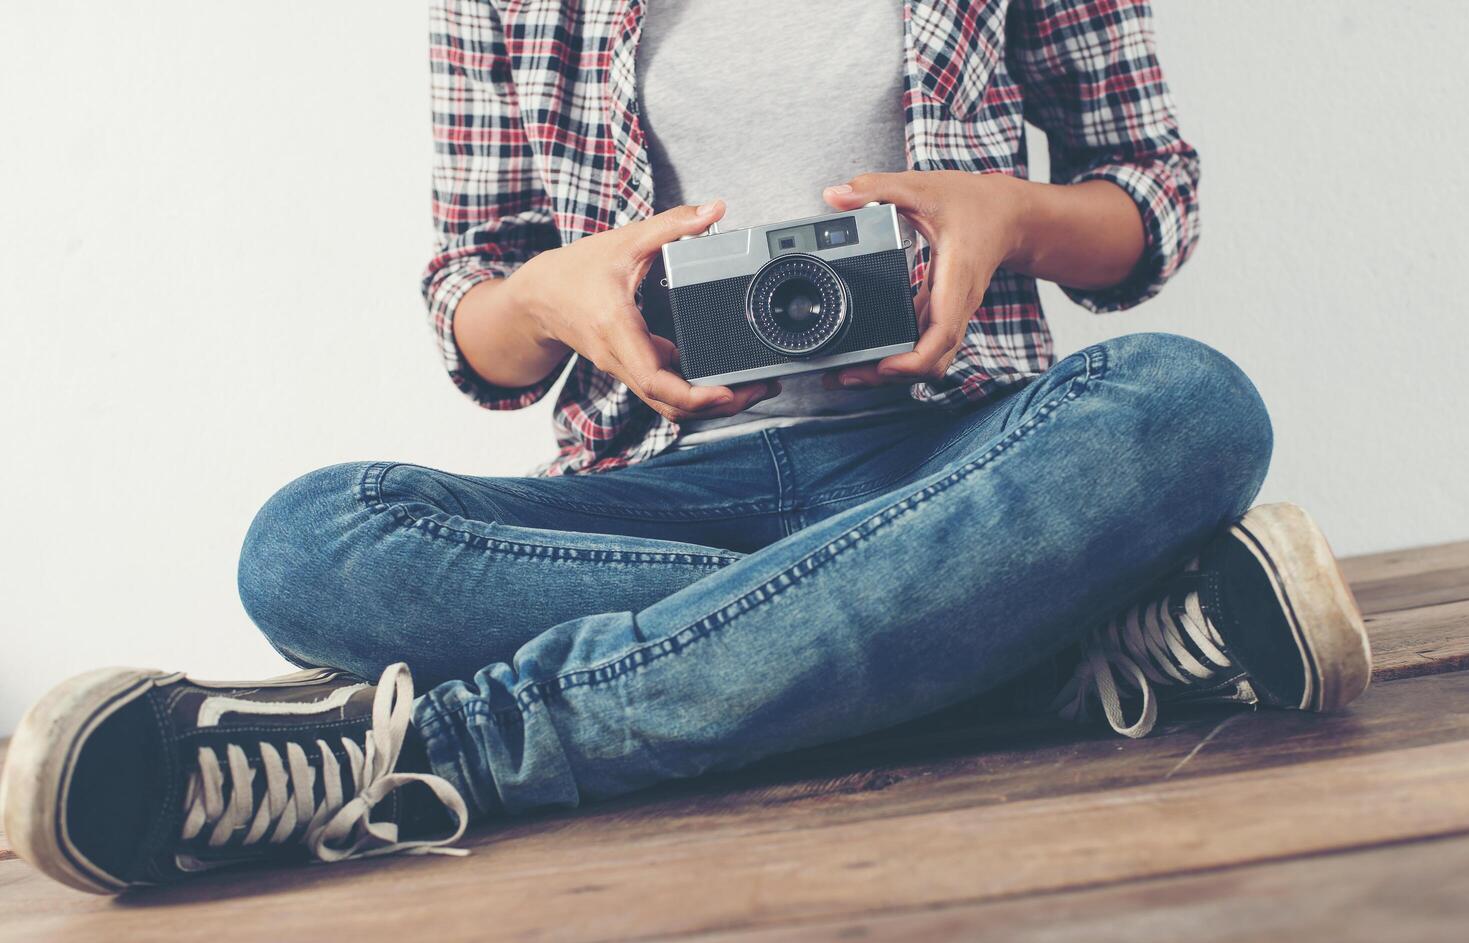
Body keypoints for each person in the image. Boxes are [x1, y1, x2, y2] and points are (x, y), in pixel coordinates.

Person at [1, 0, 1371, 895]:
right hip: (667, 489)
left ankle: (446, 757)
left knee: (1183, 403)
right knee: (309, 543)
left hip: (955, 453)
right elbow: (475, 304)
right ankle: (1031, 643)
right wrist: (545, 298)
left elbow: (1150, 191)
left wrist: (1011, 216)